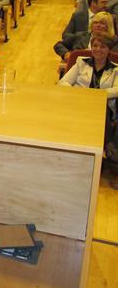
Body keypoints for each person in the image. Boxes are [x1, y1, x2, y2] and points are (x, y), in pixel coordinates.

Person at [58, 34, 118, 189]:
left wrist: (96, 96)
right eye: (95, 46)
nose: (98, 49)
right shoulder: (81, 62)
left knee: (102, 116)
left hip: (102, 107)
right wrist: (81, 94)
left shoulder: (115, 69)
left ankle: (103, 155)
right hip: (79, 103)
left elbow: (117, 89)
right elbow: (63, 82)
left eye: (103, 47)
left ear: (109, 50)